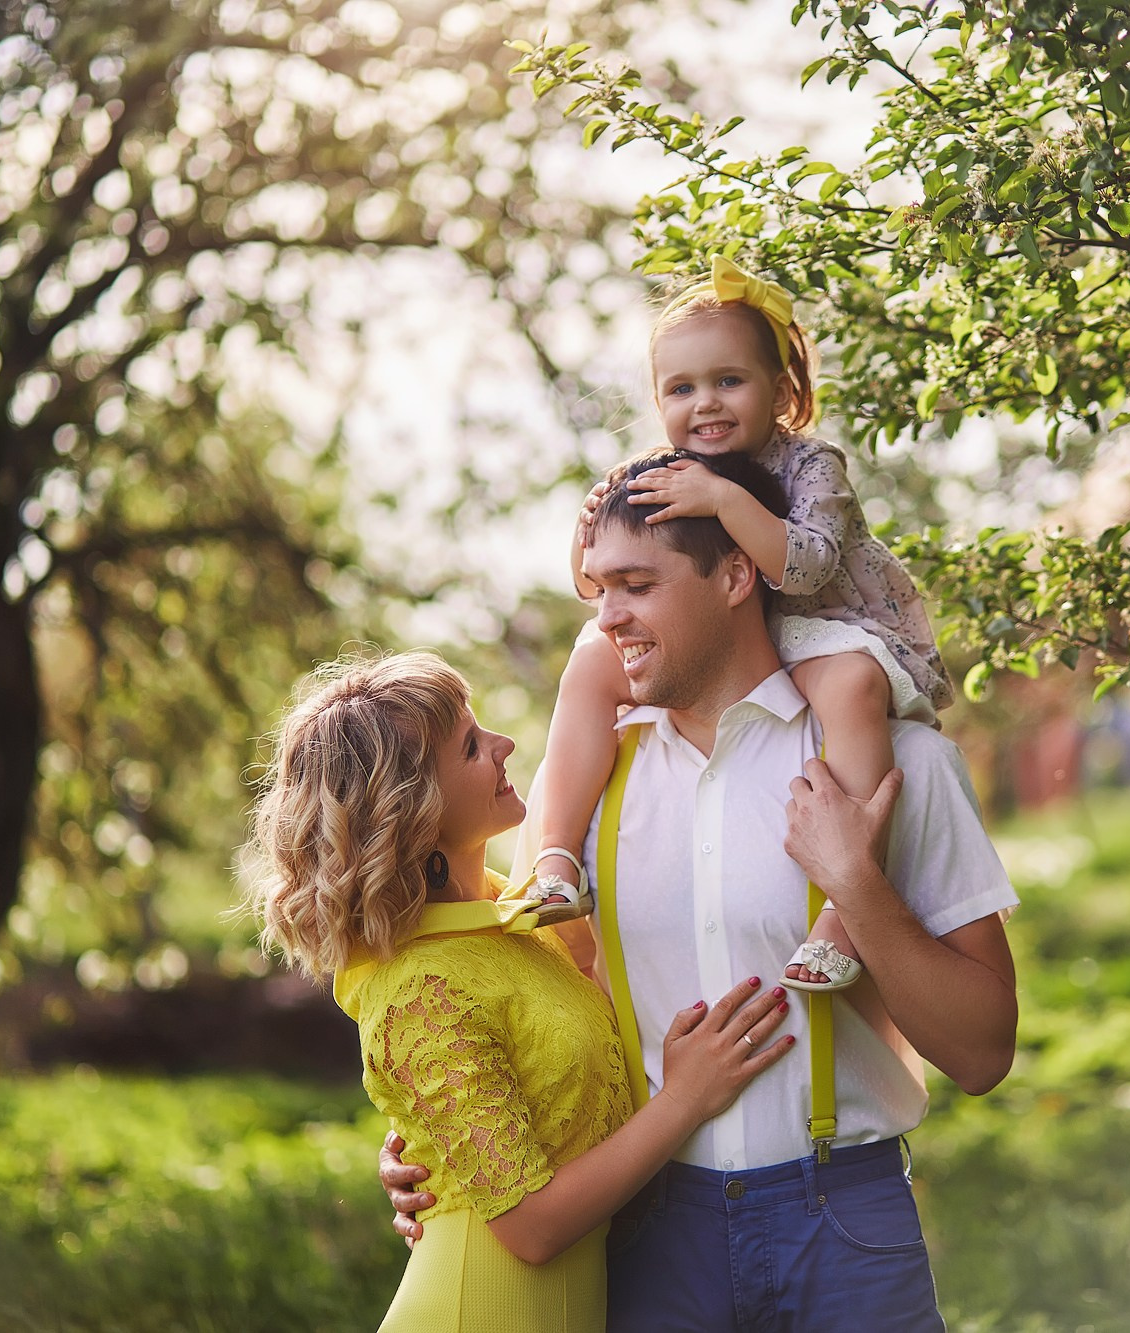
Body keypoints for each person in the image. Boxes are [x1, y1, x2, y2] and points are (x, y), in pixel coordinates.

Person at [383, 452, 1019, 1331]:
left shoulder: (897, 764)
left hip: (846, 1220)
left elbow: (985, 1053)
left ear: (734, 574)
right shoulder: (586, 798)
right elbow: (530, 1013)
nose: (608, 618)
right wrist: (446, 1147)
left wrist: (857, 889)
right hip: (650, 1229)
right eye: (599, 588)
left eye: (637, 585)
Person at [238, 652, 797, 1333]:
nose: (503, 746)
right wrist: (684, 1097)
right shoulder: (419, 987)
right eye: (471, 746)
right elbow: (532, 1227)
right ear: (418, 810)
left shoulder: (510, 911)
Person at [523, 256, 954, 994]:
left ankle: (843, 913)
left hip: (822, 622)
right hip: (732, 632)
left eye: (730, 380)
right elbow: (592, 579)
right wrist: (590, 523)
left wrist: (723, 501)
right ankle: (556, 856)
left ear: (784, 390)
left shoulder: (812, 465)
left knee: (851, 686)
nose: (706, 404)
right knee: (592, 655)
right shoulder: (659, 468)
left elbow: (811, 568)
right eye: (681, 388)